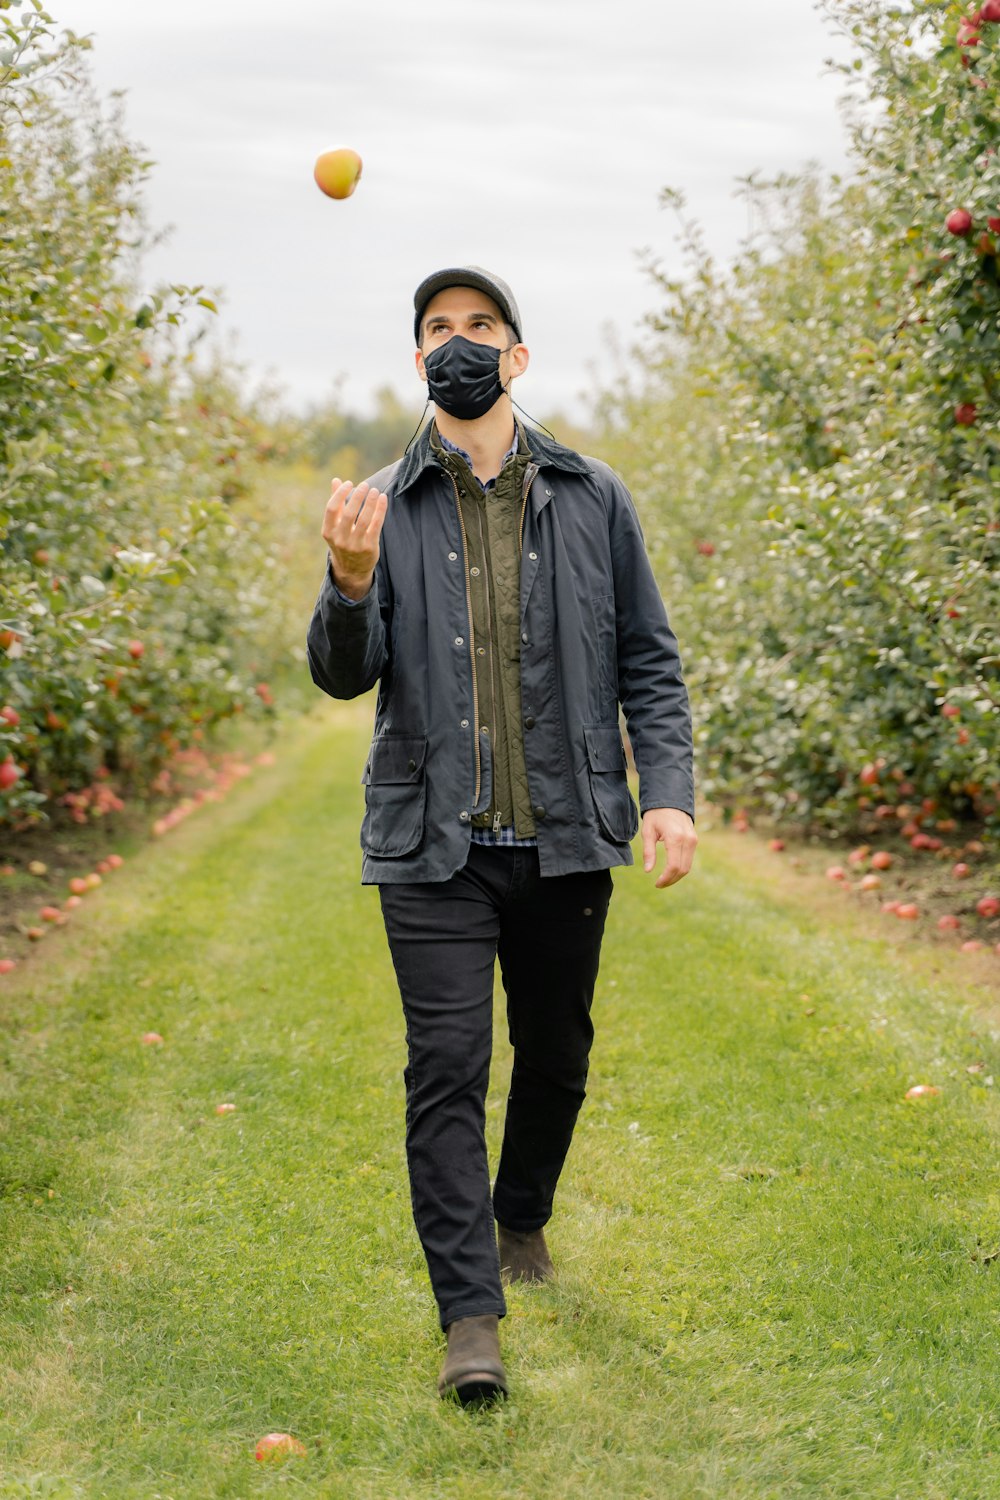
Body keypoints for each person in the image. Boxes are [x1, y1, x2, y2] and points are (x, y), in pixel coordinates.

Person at [306, 265, 696, 1406]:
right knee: (447, 1070)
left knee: (558, 1053)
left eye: (482, 326)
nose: (460, 343)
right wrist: (345, 580)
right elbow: (343, 677)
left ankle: (520, 1213)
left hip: (566, 831)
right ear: (418, 360)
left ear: (516, 357)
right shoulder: (379, 501)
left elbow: (647, 658)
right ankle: (469, 1318)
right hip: (431, 840)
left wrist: (664, 787)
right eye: (439, 330)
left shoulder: (591, 494)